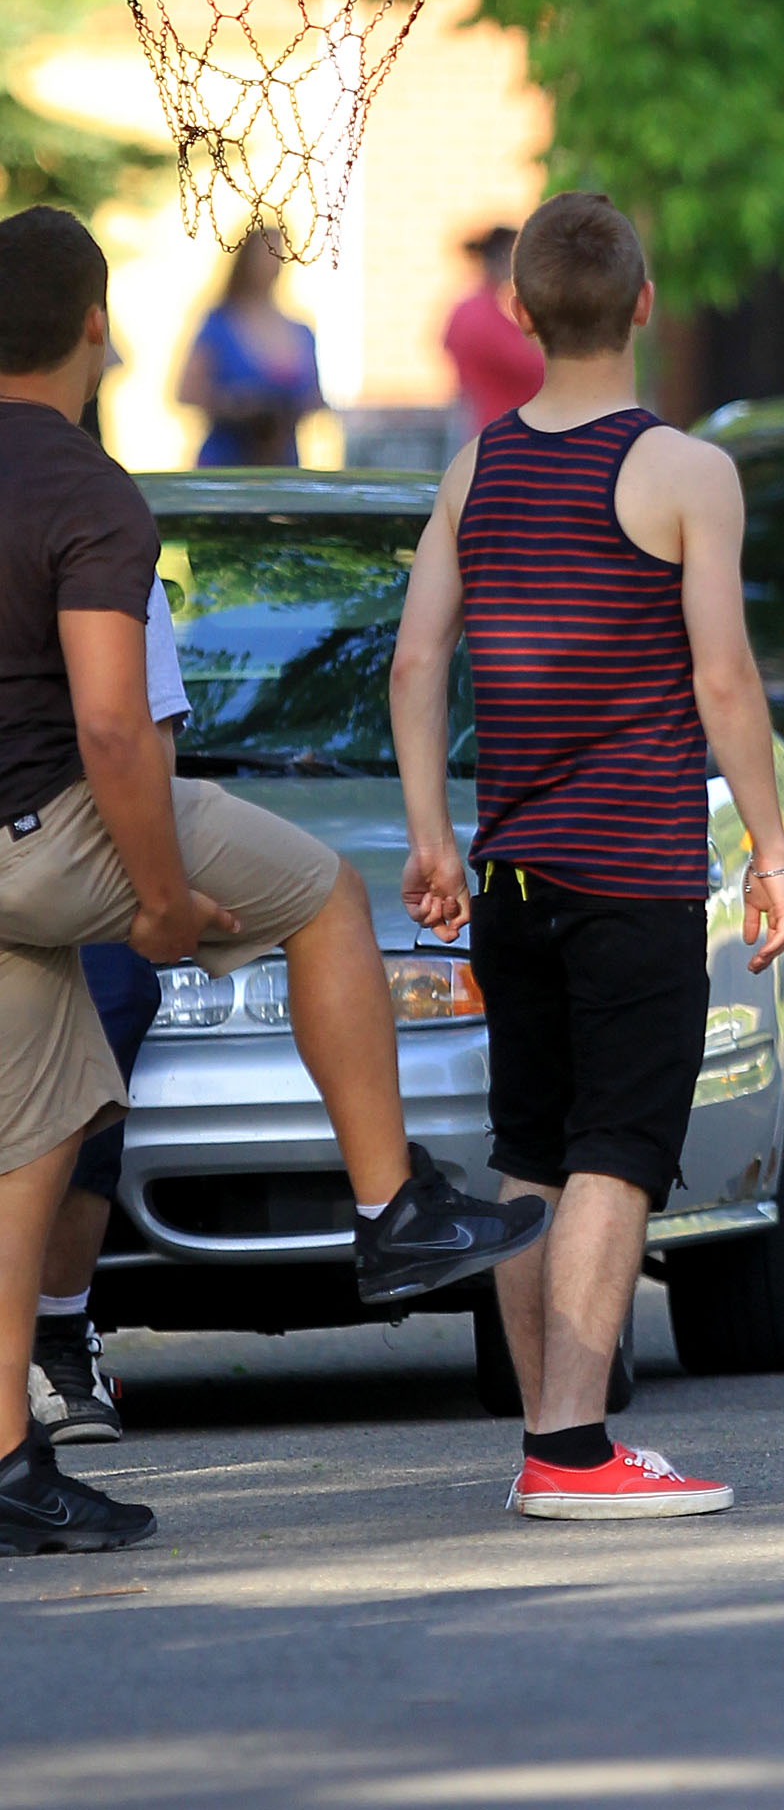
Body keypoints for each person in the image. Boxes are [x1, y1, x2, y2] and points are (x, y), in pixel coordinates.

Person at [0, 206, 551, 1556]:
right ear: (94, 327)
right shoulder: (84, 489)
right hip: (57, 822)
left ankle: (9, 1459)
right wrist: (164, 898)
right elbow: (119, 730)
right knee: (313, 893)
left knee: (27, 1140)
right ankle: (392, 1208)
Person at [390, 190, 784, 1522]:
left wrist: (434, 839)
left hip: (508, 880)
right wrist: (773, 850)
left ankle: (543, 1438)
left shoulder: (475, 468)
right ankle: (573, 1452)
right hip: (631, 877)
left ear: (518, 314)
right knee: (618, 1152)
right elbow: (725, 678)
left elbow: (413, 663)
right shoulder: (686, 474)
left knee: (529, 1154)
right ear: (643, 304)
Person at [27, 576, 186, 1446]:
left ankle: (56, 1332)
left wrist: (160, 895)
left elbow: (142, 735)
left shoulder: (97, 516)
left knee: (110, 996)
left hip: (71, 844)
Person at [177, 226, 323, 464]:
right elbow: (186, 392)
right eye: (266, 253)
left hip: (281, 465)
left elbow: (315, 398)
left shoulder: (301, 330)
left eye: (279, 254)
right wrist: (236, 405)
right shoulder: (219, 323)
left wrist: (288, 409)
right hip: (226, 464)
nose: (273, 262)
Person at [444, 225, 545, 435]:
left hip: (485, 419)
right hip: (502, 424)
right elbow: (530, 365)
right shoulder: (482, 315)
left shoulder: (469, 309)